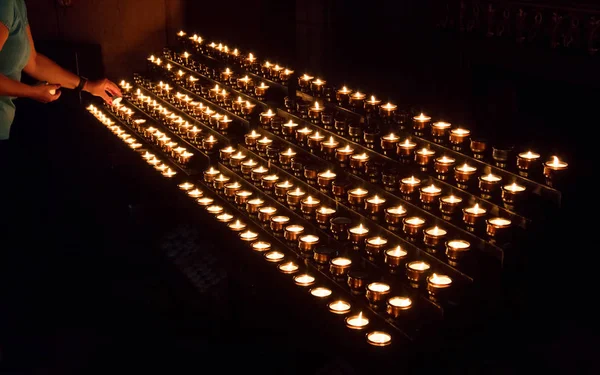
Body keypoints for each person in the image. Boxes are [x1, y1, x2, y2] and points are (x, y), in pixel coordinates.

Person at [0, 0, 122, 141]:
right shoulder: (4, 4)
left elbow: (34, 62)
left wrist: (88, 86)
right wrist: (31, 92)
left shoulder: (17, 4)